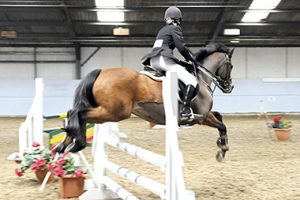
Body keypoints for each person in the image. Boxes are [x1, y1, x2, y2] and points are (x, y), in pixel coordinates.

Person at [141, 6, 198, 121]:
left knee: (175, 77)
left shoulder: (163, 30)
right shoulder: (175, 29)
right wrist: (190, 58)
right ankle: (185, 110)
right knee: (192, 81)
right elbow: (181, 47)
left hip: (153, 61)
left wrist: (183, 63)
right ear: (177, 19)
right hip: (163, 60)